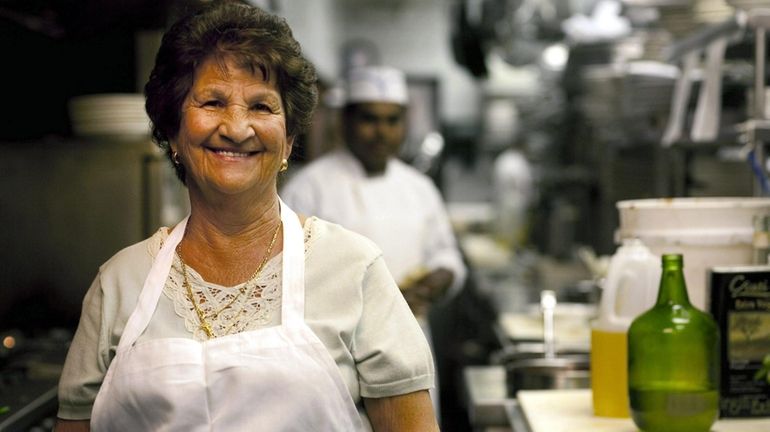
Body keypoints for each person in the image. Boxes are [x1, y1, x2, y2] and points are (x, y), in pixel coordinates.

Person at [54, 2, 438, 431]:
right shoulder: (118, 284)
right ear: (173, 132)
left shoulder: (355, 270)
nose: (237, 128)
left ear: (289, 140)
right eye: (213, 101)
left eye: (261, 107)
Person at [281, 65, 467, 320]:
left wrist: (436, 281)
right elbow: (289, 270)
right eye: (369, 119)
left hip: (409, 327)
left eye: (392, 121)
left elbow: (445, 253)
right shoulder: (309, 188)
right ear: (345, 121)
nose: (382, 133)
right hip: (338, 336)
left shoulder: (419, 188)